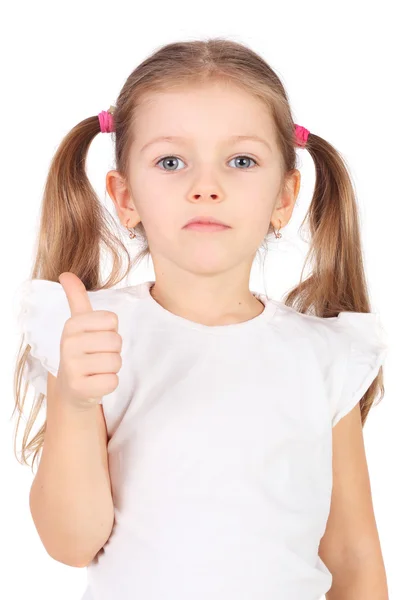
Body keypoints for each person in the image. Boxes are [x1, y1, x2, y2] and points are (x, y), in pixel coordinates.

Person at [13, 38, 389, 600]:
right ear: (125, 195)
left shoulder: (326, 355)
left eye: (241, 161)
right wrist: (74, 400)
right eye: (171, 161)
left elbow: (354, 557)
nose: (205, 187)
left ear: (285, 197)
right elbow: (71, 543)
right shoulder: (93, 335)